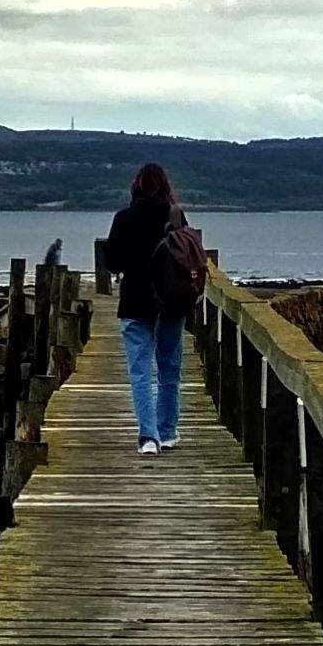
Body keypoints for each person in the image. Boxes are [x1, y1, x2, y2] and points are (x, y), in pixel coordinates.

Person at [98, 161, 206, 454]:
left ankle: (148, 437)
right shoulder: (175, 215)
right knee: (169, 369)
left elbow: (112, 263)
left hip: (135, 302)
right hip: (172, 301)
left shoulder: (123, 218)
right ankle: (168, 431)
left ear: (136, 186)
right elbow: (189, 257)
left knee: (141, 372)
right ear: (166, 186)